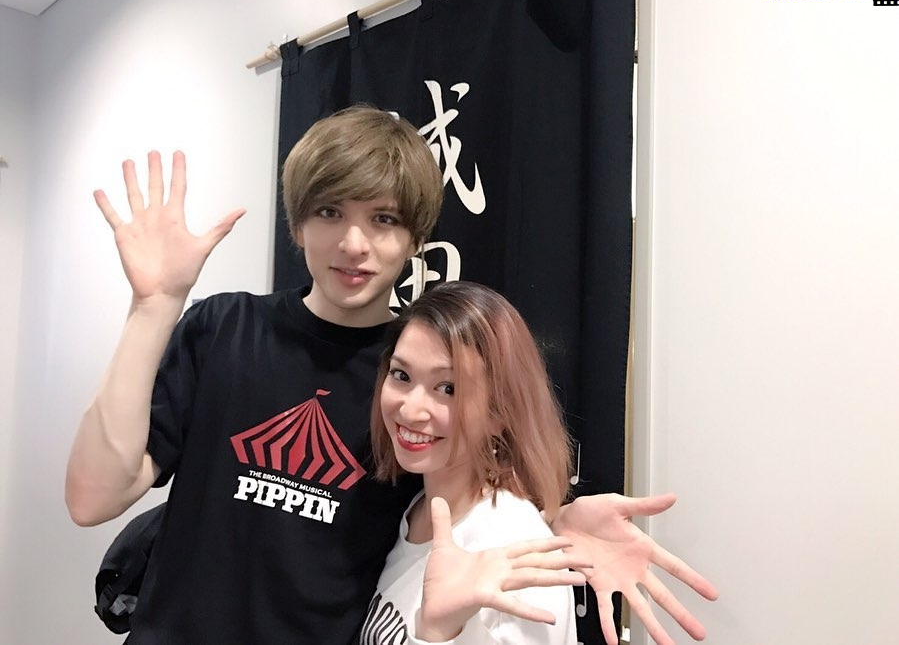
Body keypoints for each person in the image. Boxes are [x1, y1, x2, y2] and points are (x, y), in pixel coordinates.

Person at [66, 105, 716, 645]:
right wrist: (154, 307)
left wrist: (556, 527)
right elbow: (92, 498)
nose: (354, 244)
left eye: (383, 219)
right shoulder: (224, 329)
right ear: (298, 223)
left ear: (414, 238)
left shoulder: (411, 373)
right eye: (330, 212)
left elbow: (464, 495)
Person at [361, 280, 585, 644]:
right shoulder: (417, 509)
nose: (411, 410)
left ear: (500, 412)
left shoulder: (516, 550)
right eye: (402, 375)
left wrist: (437, 633)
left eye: (448, 388)